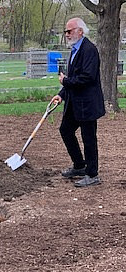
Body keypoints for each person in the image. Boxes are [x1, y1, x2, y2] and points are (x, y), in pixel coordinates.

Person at [51, 17, 105, 187]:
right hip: (75, 103)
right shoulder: (74, 49)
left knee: (88, 138)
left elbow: (87, 78)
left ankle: (92, 174)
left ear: (80, 31)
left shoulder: (89, 50)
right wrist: (62, 94)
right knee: (65, 130)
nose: (66, 34)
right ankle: (80, 165)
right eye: (65, 31)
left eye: (70, 31)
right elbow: (73, 78)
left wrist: (65, 82)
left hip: (87, 104)